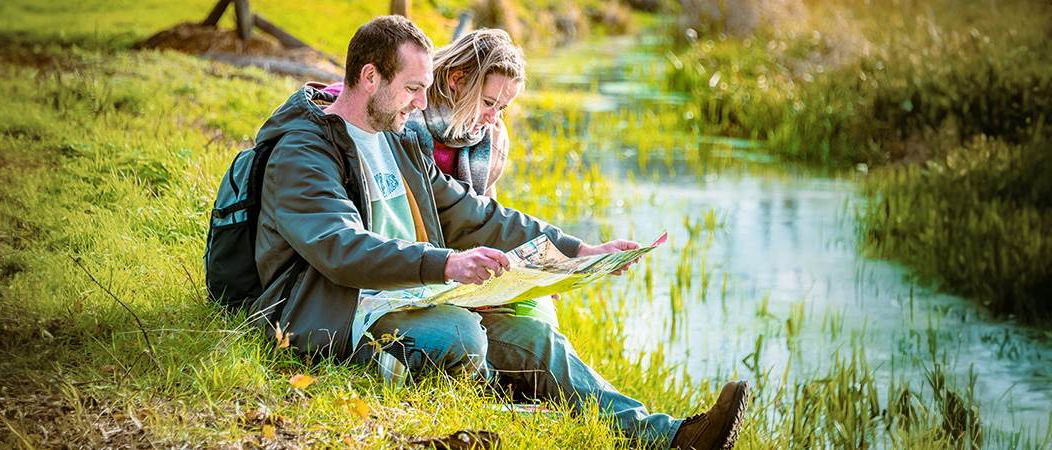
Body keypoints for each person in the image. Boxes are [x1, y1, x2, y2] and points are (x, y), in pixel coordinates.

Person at [246, 15, 747, 449]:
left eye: (425, 88)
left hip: (409, 296)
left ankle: (669, 436)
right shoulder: (304, 151)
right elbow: (339, 249)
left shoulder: (399, 140)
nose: (423, 104)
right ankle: (506, 403)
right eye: (414, 89)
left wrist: (578, 249)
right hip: (338, 309)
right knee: (461, 334)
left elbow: (474, 214)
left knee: (536, 336)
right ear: (371, 77)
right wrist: (443, 263)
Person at [404, 28, 561, 327]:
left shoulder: (489, 137)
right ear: (457, 80)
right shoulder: (405, 119)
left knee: (539, 311)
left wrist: (527, 269)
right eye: (489, 102)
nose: (494, 117)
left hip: (462, 266)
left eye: (502, 107)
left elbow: (485, 213)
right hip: (420, 265)